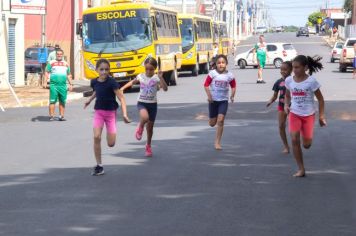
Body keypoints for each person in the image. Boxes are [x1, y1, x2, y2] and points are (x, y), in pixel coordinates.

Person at [84, 59, 131, 176]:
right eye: (101, 69)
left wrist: (125, 114)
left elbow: (122, 98)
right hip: (98, 112)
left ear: (109, 70)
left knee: (111, 143)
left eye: (106, 69)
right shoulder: (94, 81)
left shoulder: (112, 83)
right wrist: (89, 100)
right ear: (97, 70)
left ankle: (110, 132)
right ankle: (99, 166)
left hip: (110, 114)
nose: (104, 72)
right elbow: (96, 91)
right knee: (96, 137)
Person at [284, 55, 327, 177]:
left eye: (297, 67)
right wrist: (287, 105)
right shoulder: (289, 80)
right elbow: (287, 95)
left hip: (308, 115)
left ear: (305, 67)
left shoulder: (311, 81)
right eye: (293, 67)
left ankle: (306, 139)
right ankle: (301, 169)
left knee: (307, 145)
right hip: (294, 113)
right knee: (294, 139)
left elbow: (321, 100)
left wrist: (321, 116)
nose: (294, 70)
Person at [120, 57, 168, 157]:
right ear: (144, 68)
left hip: (153, 105)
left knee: (150, 128)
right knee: (144, 117)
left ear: (154, 69)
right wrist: (122, 88)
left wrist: (161, 77)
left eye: (151, 69)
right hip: (142, 102)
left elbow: (165, 89)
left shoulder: (156, 78)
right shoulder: (141, 76)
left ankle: (148, 146)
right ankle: (140, 127)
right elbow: (132, 82)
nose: (148, 71)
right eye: (147, 69)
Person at [204, 54, 236, 150]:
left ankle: (217, 142)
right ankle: (211, 118)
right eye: (219, 63)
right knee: (212, 123)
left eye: (223, 63)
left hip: (223, 101)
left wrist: (232, 95)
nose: (221, 64)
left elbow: (233, 86)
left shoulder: (229, 75)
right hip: (213, 101)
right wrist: (209, 96)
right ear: (216, 64)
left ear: (226, 64)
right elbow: (206, 85)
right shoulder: (212, 74)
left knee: (221, 120)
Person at [267, 61, 292, 154]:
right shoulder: (278, 82)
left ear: (291, 70)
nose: (282, 71)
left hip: (293, 107)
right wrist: (271, 101)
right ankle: (286, 146)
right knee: (281, 126)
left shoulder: (294, 80)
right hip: (281, 106)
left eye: (285, 69)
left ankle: (296, 141)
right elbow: (275, 95)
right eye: (281, 69)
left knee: (293, 127)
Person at [45, 49, 72, 121]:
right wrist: (45, 82)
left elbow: (69, 75)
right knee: (52, 101)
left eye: (60, 54)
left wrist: (71, 84)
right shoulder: (51, 63)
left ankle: (61, 116)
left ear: (62, 55)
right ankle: (51, 116)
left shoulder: (66, 64)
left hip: (63, 86)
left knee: (62, 101)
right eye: (58, 54)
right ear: (56, 55)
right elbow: (47, 72)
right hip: (53, 85)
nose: (59, 55)